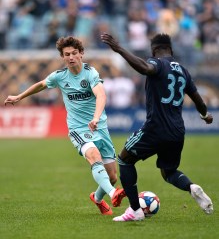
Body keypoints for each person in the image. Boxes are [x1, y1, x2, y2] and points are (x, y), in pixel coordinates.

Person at [4, 36, 126, 215]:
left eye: (74, 53)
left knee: (113, 176)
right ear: (62, 57)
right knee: (93, 155)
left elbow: (101, 95)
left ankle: (98, 198)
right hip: (78, 129)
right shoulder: (60, 77)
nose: (71, 57)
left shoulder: (91, 73)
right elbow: (41, 85)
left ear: (81, 54)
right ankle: (113, 193)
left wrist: (96, 118)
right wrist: (19, 97)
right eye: (67, 54)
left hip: (99, 127)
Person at [101, 32, 214, 221]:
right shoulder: (184, 71)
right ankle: (191, 187)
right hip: (177, 131)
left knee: (124, 160)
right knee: (168, 171)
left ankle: (135, 211)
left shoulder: (157, 63)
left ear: (153, 51)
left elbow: (146, 68)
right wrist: (205, 115)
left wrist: (119, 49)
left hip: (155, 128)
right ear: (171, 49)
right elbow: (199, 101)